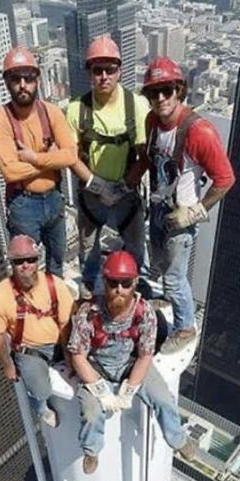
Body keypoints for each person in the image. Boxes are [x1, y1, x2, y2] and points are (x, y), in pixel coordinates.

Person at [67, 250, 195, 474]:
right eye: (114, 283)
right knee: (91, 413)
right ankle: (92, 449)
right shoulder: (89, 313)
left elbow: (145, 355)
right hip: (98, 369)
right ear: (105, 282)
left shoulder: (144, 313)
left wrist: (130, 389)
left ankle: (178, 440)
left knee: (164, 400)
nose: (119, 290)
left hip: (131, 365)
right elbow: (77, 355)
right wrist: (99, 389)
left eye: (125, 283)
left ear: (135, 282)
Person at [141, 57, 235, 352]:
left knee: (174, 277)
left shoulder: (199, 131)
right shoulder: (152, 122)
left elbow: (225, 178)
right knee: (158, 262)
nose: (160, 98)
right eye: (154, 92)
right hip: (158, 207)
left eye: (166, 90)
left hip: (182, 214)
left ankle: (185, 327)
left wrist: (195, 212)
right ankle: (169, 300)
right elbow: (149, 159)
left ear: (179, 89)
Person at [66, 36, 149, 297]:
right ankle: (89, 285)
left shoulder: (135, 105)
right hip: (92, 195)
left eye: (110, 69)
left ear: (119, 70)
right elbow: (71, 156)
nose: (104, 76)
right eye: (97, 70)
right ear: (90, 73)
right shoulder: (77, 110)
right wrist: (97, 185)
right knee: (87, 247)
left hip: (127, 191)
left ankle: (136, 284)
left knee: (135, 246)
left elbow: (144, 154)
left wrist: (125, 184)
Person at [0, 47, 77, 276]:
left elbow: (70, 155)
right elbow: (10, 172)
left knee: (58, 260)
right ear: (7, 82)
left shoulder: (52, 113)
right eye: (15, 78)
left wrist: (33, 157)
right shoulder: (0, 121)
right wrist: (51, 159)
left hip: (54, 199)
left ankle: (54, 304)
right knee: (25, 269)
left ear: (37, 79)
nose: (22, 84)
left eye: (28, 77)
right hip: (23, 204)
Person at [0, 234, 74, 427]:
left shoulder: (54, 285)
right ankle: (41, 408)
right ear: (12, 264)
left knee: (84, 366)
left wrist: (69, 354)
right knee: (41, 390)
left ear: (37, 260)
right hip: (31, 350)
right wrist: (7, 365)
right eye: (19, 261)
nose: (26, 265)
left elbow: (67, 324)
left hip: (60, 341)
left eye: (30, 260)